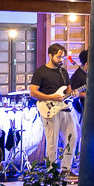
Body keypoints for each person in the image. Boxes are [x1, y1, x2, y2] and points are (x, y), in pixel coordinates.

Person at [29, 43, 77, 173]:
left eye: (63, 57)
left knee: (72, 138)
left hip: (65, 109)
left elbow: (68, 90)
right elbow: (33, 92)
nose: (61, 60)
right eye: (58, 57)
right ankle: (52, 171)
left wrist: (73, 94)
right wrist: (51, 97)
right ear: (50, 55)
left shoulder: (63, 72)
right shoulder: (40, 72)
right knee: (52, 142)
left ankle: (66, 168)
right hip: (49, 109)